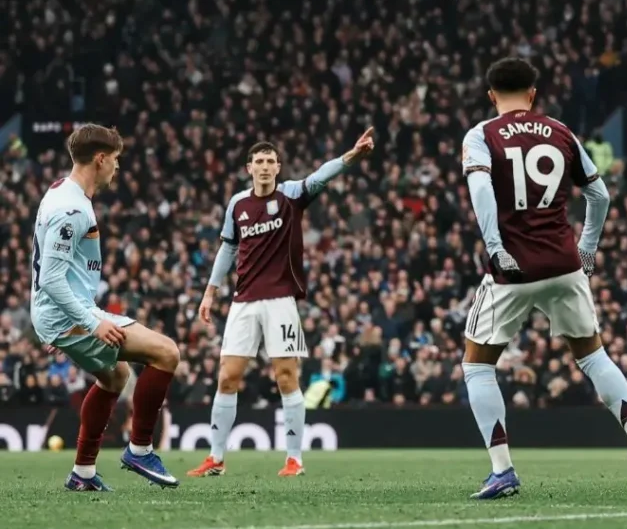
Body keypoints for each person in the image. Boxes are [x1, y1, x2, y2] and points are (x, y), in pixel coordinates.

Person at [460, 57, 627, 499]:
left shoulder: (481, 134)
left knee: (477, 364)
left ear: (491, 94)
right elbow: (600, 194)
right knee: (593, 356)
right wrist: (587, 246)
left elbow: (479, 188)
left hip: (512, 268)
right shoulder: (560, 131)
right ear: (533, 94)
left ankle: (503, 470)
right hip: (564, 263)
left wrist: (495, 246)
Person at [187, 129, 374, 478]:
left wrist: (351, 156)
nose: (265, 167)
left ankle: (294, 459)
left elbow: (321, 175)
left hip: (280, 301)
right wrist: (210, 291)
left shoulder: (291, 195)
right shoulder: (237, 204)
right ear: (249, 168)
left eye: (270, 161)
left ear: (278, 167)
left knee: (286, 377)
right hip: (243, 301)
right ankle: (215, 458)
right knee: (227, 377)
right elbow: (228, 248)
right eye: (259, 161)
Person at [31, 125, 182, 492]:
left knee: (116, 376)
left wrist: (59, 321)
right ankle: (140, 449)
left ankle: (83, 475)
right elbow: (51, 278)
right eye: (115, 160)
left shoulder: (59, 192)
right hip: (71, 313)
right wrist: (85, 323)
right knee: (166, 352)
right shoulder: (72, 209)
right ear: (100, 159)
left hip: (63, 313)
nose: (117, 168)